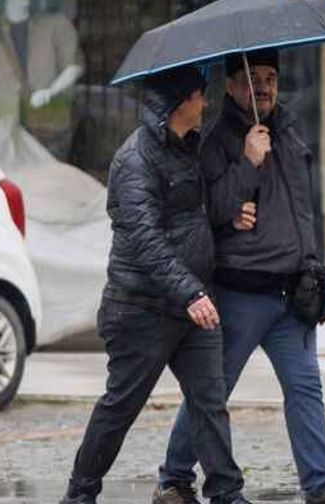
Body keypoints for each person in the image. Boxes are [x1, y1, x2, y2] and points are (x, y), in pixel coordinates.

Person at [156, 49, 325, 504]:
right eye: (251, 77)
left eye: (270, 78)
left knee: (305, 388)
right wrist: (247, 161)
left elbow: (301, 211)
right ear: (230, 85)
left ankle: (322, 487)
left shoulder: (290, 129)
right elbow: (205, 212)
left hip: (291, 293)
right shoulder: (216, 137)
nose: (262, 86)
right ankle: (174, 479)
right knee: (212, 391)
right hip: (240, 291)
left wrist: (314, 269)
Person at [60, 66, 252, 504]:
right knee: (120, 407)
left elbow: (191, 215)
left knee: (210, 402)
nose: (206, 104)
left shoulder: (190, 147)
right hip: (140, 310)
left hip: (191, 307)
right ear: (179, 102)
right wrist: (190, 292)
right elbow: (147, 238)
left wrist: (227, 216)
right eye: (201, 96)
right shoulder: (135, 160)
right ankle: (79, 494)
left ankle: (227, 494)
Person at [0, 0, 82, 160]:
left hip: (49, 129)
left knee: (49, 180)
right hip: (6, 130)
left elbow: (74, 66)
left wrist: (50, 91)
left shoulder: (56, 25)